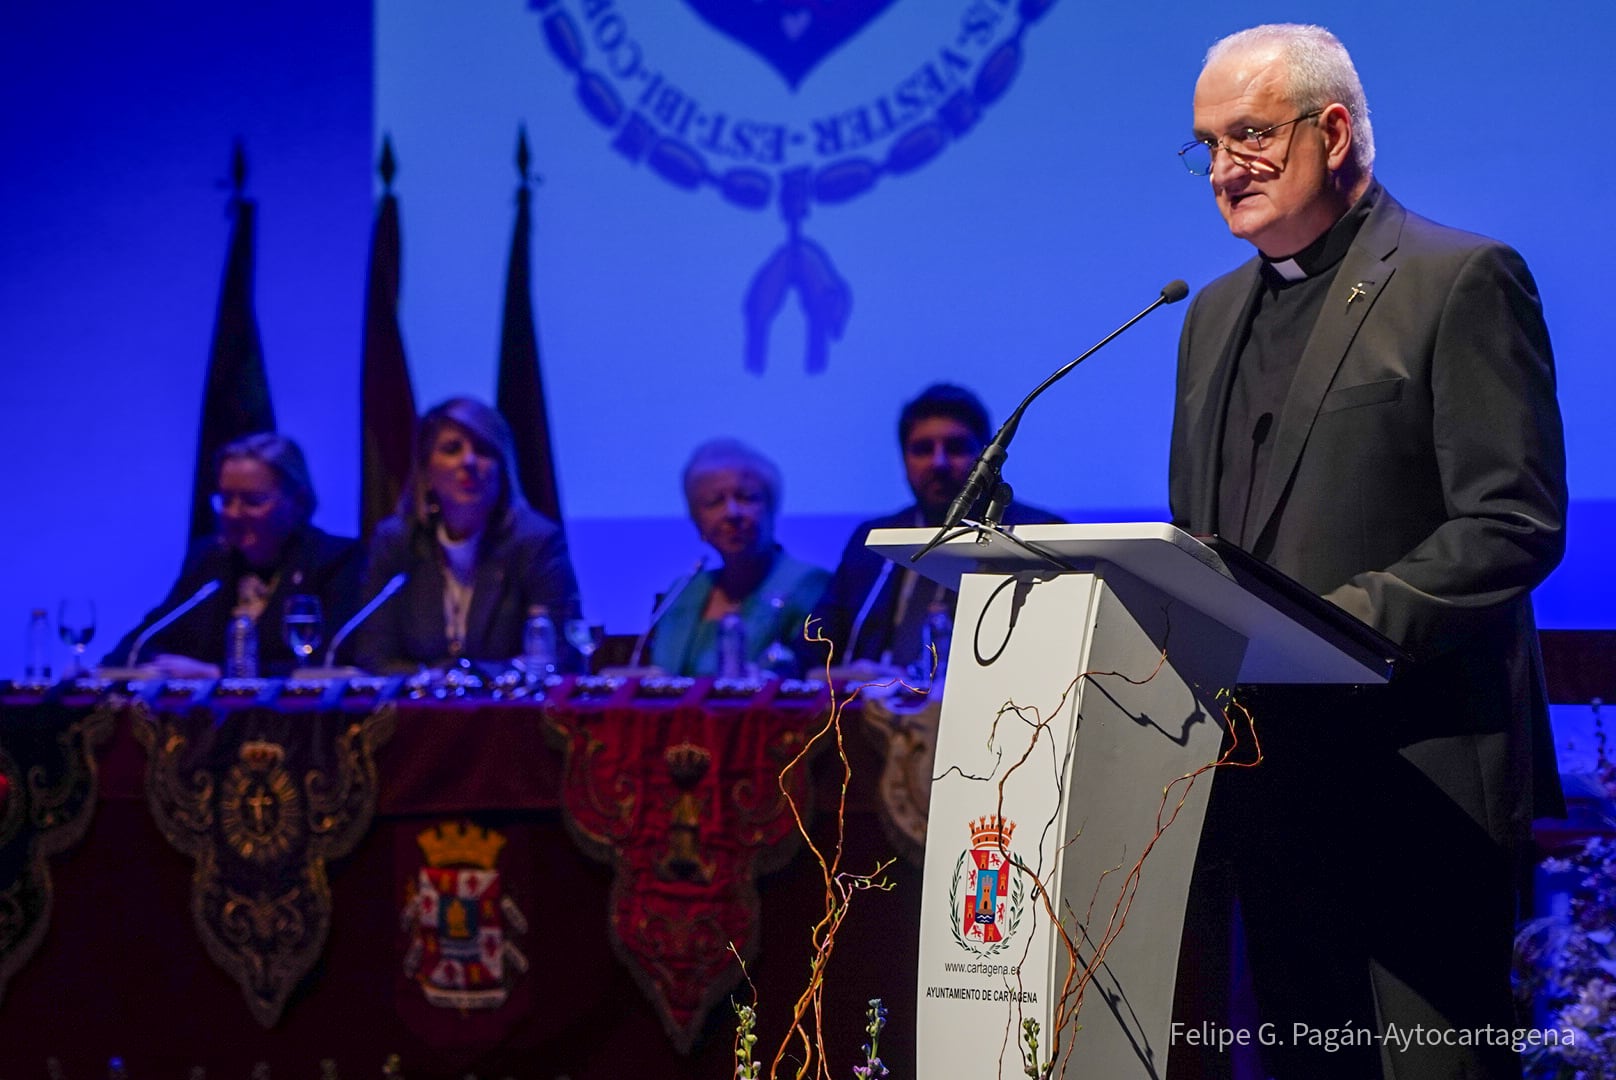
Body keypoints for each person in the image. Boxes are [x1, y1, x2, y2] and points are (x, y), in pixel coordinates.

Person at [1167, 25, 1566, 1080]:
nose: (1219, 169)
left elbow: (1509, 521)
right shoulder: (1205, 317)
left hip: (1417, 782)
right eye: (1204, 144)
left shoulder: (1457, 279)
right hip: (1266, 783)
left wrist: (1334, 629)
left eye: (1245, 136)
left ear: (1330, 128)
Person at [809, 383, 1062, 672]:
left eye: (955, 448)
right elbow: (811, 654)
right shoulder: (872, 541)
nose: (938, 463)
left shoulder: (1035, 533)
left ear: (988, 459)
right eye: (922, 450)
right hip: (866, 708)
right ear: (904, 459)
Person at [355, 397, 581, 673]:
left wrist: (470, 681)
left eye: (484, 450)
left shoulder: (538, 543)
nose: (469, 461)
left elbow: (560, 656)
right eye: (452, 449)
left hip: (511, 711)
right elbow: (372, 655)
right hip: (418, 710)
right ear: (426, 472)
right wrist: (435, 685)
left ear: (503, 468)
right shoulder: (397, 542)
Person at [108, 433, 363, 676]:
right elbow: (150, 637)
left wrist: (218, 675)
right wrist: (102, 670)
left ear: (298, 500)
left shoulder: (334, 560)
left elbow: (332, 662)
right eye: (226, 500)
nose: (233, 514)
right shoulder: (210, 560)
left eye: (252, 501)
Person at [648, 438, 829, 677]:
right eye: (714, 502)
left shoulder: (809, 583)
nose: (731, 513)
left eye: (746, 497)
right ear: (696, 520)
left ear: (772, 509)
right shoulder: (683, 591)